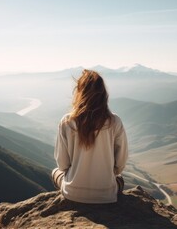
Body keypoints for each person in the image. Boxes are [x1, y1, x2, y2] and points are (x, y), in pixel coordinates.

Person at [52, 69, 128, 204]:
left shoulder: (67, 122)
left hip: (72, 193)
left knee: (55, 172)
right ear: (103, 94)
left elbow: (62, 165)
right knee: (120, 179)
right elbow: (120, 164)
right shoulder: (114, 121)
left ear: (80, 93)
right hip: (106, 195)